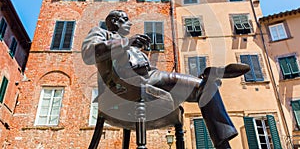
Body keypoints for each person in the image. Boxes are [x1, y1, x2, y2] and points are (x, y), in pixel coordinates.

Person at [81, 10, 249, 149]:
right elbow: (89, 54)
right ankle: (205, 76)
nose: (130, 24)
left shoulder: (131, 45)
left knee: (205, 87)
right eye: (126, 20)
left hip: (152, 76)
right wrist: (127, 42)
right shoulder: (101, 33)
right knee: (201, 85)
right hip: (127, 85)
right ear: (115, 22)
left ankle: (223, 145)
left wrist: (132, 46)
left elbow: (142, 65)